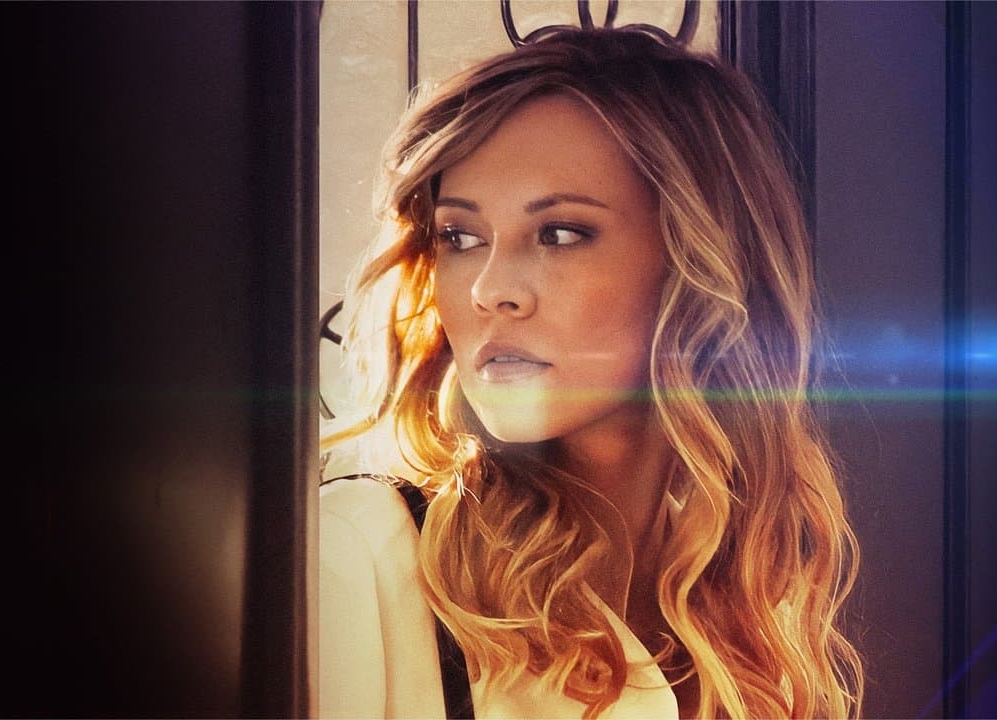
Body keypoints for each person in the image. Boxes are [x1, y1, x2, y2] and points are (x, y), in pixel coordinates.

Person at [320, 28, 863, 719]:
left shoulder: (748, 620)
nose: (490, 289)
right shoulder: (357, 557)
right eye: (460, 237)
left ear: (695, 263)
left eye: (559, 234)